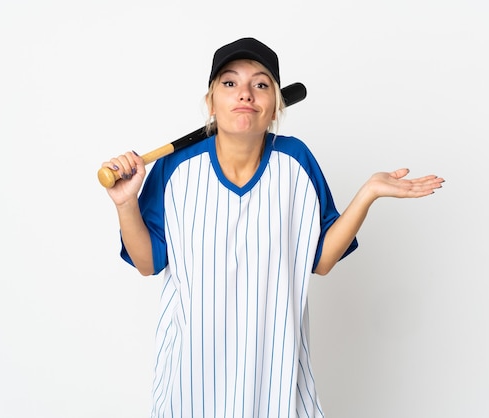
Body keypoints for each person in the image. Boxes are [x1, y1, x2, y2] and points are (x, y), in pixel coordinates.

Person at [101, 37, 444, 417]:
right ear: (211, 102)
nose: (245, 93)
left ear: (275, 107)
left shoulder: (296, 160)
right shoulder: (175, 167)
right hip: (190, 379)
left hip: (277, 379)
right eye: (229, 83)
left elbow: (323, 260)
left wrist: (367, 194)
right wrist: (125, 203)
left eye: (260, 84)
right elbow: (147, 263)